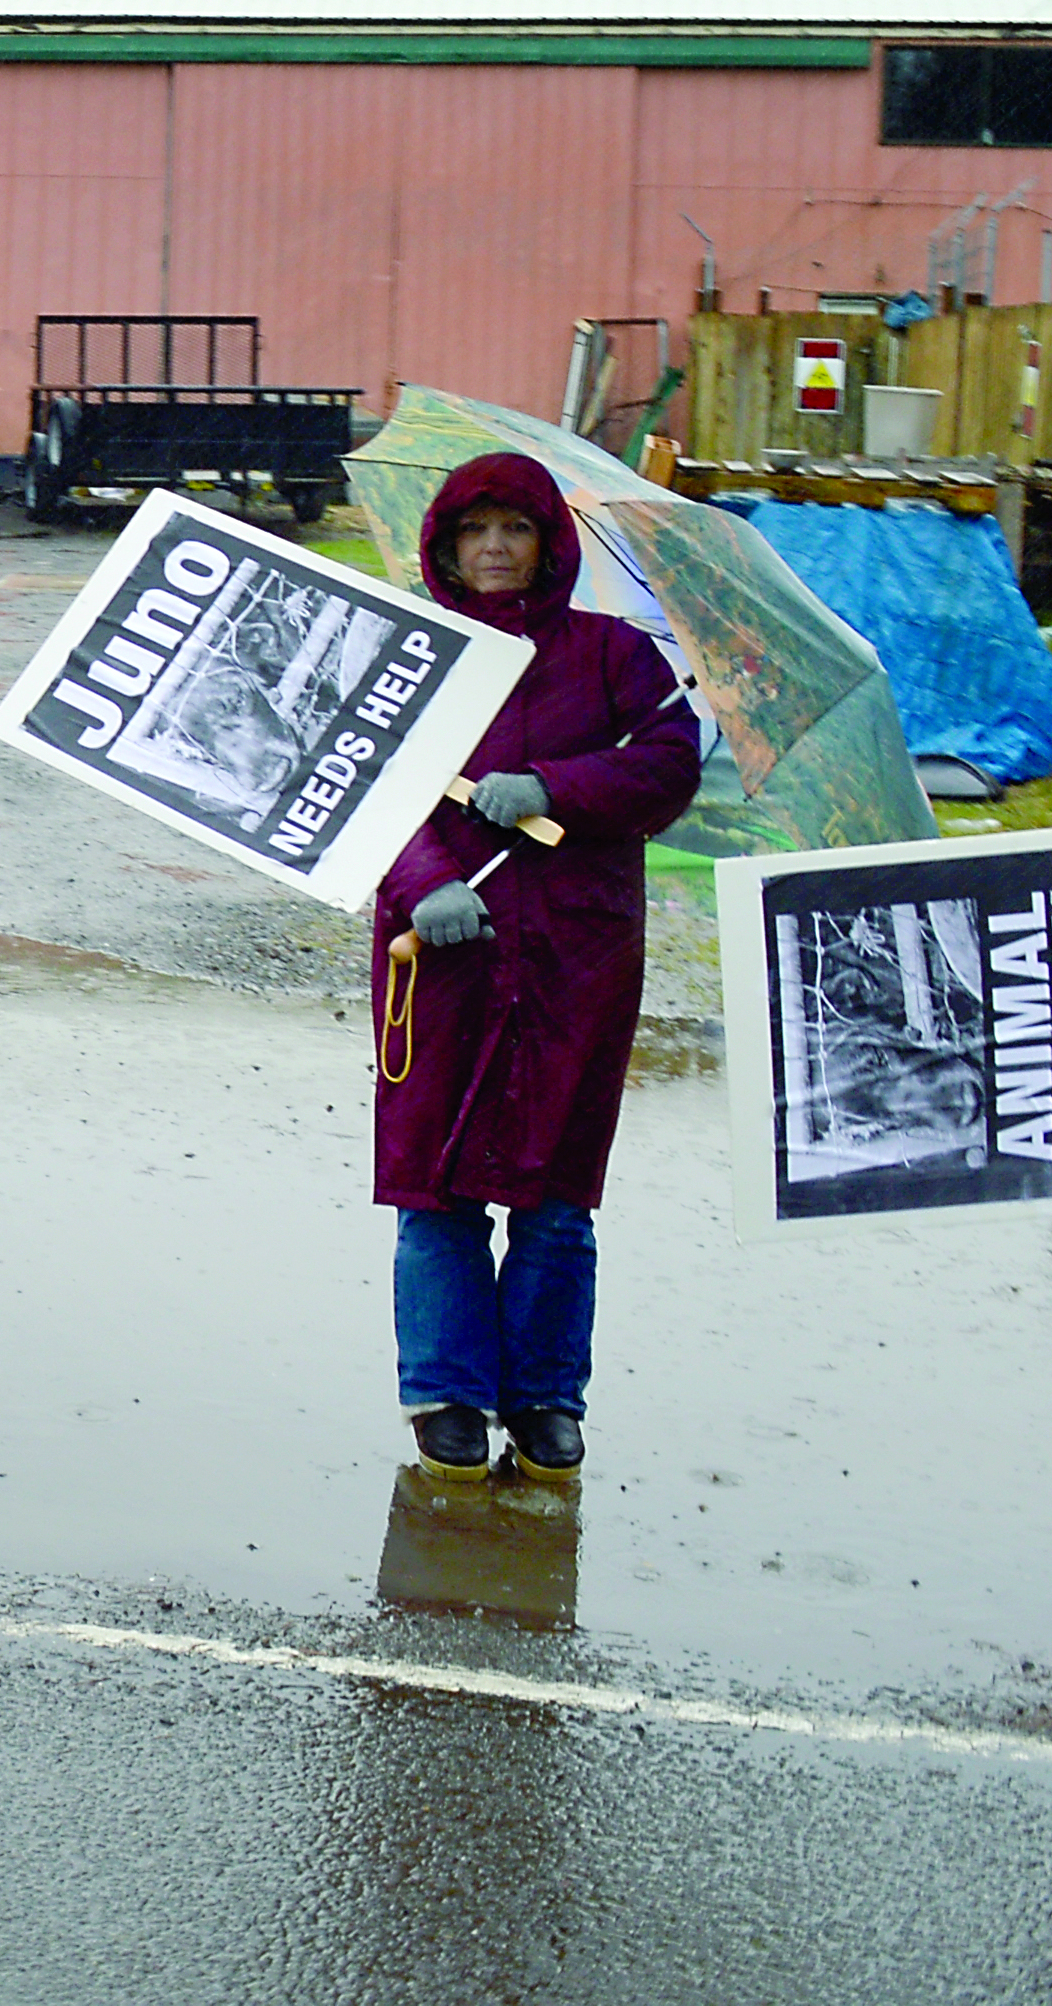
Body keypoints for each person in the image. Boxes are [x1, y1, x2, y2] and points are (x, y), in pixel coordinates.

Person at [369, 452, 700, 1481]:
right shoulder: (413, 661)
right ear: (447, 549)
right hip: (442, 953)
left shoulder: (614, 656)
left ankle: (547, 1394)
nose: (497, 548)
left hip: (575, 956)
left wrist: (553, 784)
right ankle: (447, 1390)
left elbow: (668, 763)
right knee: (439, 1184)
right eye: (477, 532)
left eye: (515, 529)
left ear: (548, 544)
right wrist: (424, 877)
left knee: (558, 1190)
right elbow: (360, 787)